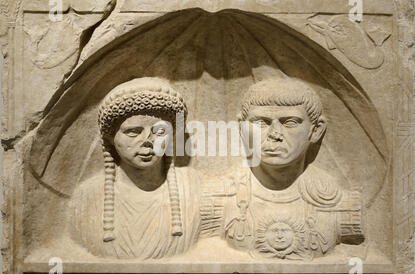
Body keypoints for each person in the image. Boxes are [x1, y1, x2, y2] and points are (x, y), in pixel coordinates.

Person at [202, 78, 364, 260]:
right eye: (261, 122)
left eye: (290, 123)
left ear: (316, 130)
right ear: (242, 128)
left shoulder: (342, 206)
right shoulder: (214, 200)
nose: (275, 134)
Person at [69, 77, 201, 259]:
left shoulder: (194, 188)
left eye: (160, 132)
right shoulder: (86, 197)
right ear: (110, 137)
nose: (148, 142)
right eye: (133, 132)